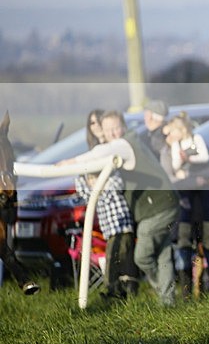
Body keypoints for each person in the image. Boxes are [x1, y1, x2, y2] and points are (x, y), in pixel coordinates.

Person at [60, 110, 180, 306]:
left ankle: (162, 292)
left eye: (116, 128)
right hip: (162, 204)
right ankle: (168, 302)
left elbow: (99, 153)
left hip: (158, 207)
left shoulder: (125, 143)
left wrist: (69, 163)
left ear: (123, 127)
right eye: (109, 130)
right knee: (163, 253)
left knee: (142, 257)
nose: (113, 133)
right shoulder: (124, 144)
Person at [73, 109, 136, 300]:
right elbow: (85, 189)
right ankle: (115, 292)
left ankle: (120, 292)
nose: (95, 126)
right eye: (91, 123)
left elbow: (116, 183)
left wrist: (98, 186)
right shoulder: (93, 151)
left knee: (121, 255)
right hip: (107, 223)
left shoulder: (112, 149)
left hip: (120, 219)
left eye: (98, 122)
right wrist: (85, 179)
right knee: (113, 255)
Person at [165, 113, 209, 298]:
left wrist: (190, 166)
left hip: (203, 203)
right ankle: (186, 293)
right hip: (185, 204)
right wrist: (190, 176)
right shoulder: (172, 148)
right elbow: (174, 171)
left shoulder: (197, 140)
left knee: (208, 242)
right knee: (184, 243)